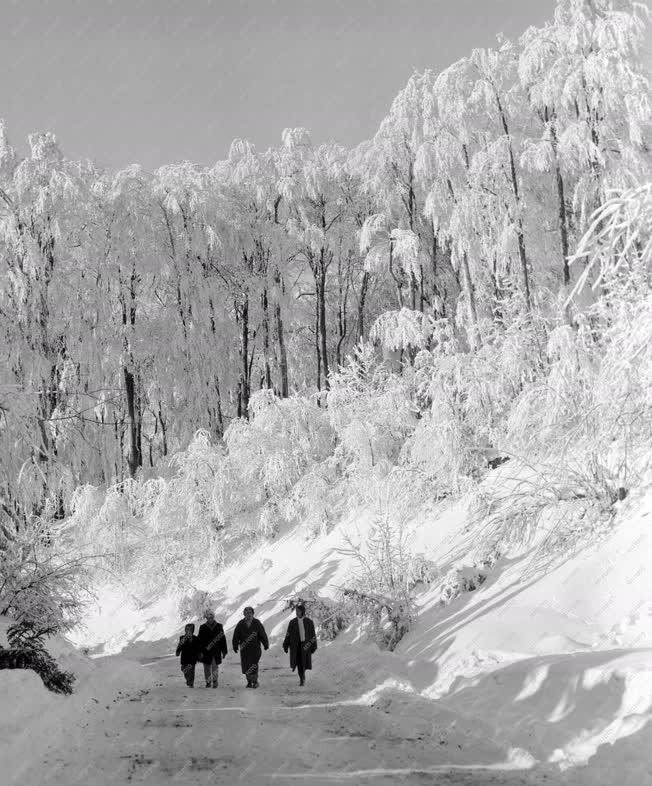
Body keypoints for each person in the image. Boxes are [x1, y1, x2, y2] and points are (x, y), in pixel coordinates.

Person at [232, 606, 269, 688]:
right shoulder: (241, 624)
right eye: (246, 613)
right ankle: (249, 681)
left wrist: (265, 644)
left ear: (253, 613)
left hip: (255, 649)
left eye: (250, 613)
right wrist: (235, 645)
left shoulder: (257, 623)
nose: (248, 615)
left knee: (254, 664)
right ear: (244, 614)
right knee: (246, 665)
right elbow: (236, 635)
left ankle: (255, 681)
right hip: (244, 649)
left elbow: (262, 634)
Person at [282, 604, 317, 686]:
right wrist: (285, 645)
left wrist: (313, 646)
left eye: (299, 611)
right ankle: (302, 678)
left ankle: (302, 675)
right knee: (298, 662)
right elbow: (288, 634)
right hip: (295, 646)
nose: (297, 613)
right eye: (296, 611)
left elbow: (313, 635)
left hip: (305, 645)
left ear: (303, 612)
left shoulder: (309, 622)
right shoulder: (292, 622)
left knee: (303, 662)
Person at [197, 610, 228, 688]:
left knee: (215, 666)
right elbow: (199, 640)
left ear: (213, 617)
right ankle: (208, 682)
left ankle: (215, 681)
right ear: (206, 618)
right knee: (206, 667)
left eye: (211, 616)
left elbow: (222, 639)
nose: (210, 618)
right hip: (206, 651)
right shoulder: (202, 627)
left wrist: (224, 651)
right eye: (208, 616)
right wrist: (199, 651)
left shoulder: (219, 626)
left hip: (216, 650)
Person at [176, 623, 200, 688]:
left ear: (192, 630)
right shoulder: (182, 638)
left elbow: (198, 648)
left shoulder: (196, 639)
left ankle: (191, 683)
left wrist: (199, 655)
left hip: (192, 658)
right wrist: (178, 651)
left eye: (189, 629)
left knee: (191, 671)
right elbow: (179, 646)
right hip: (184, 657)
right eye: (186, 629)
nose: (188, 631)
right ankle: (188, 680)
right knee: (184, 669)